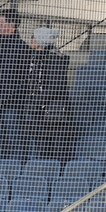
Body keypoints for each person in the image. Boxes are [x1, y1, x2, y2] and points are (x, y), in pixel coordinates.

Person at [0, 10, 31, 162]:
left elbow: (26, 80)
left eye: (1, 23)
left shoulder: (23, 50)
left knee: (16, 142)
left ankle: (14, 173)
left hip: (13, 106)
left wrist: (10, 96)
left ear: (12, 25)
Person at [24, 27, 76, 163]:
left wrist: (36, 100)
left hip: (55, 113)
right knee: (43, 149)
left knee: (57, 150)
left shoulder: (54, 59)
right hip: (42, 112)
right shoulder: (36, 58)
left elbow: (54, 87)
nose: (31, 40)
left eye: (33, 37)